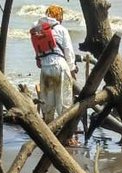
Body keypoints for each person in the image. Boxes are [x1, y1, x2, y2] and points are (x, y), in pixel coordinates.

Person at [31, 5, 78, 145]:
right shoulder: (61, 29)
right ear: (59, 17)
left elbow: (38, 55)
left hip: (46, 69)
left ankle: (49, 135)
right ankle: (67, 138)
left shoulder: (38, 31)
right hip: (60, 66)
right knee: (64, 103)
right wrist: (72, 68)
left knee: (48, 103)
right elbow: (69, 51)